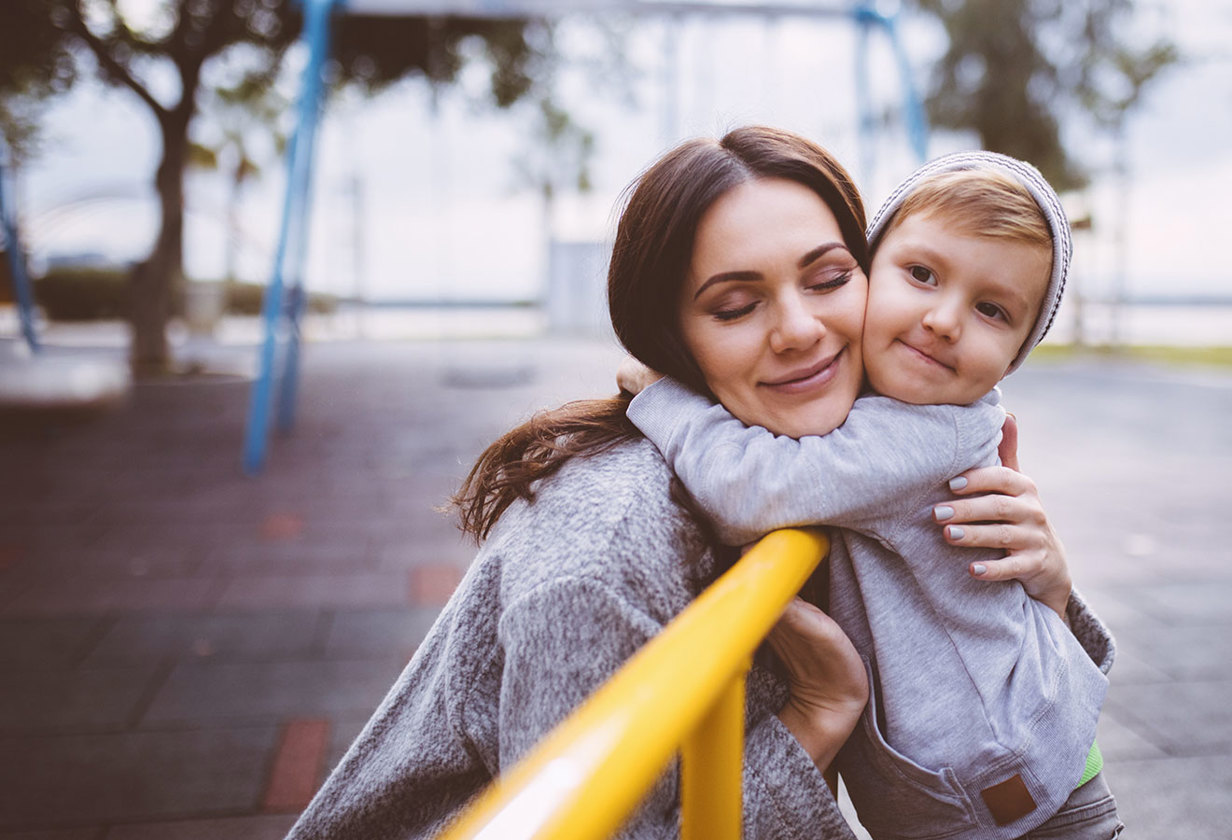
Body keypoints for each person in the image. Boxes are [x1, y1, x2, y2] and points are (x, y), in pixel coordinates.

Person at [284, 127, 1107, 840]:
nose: (800, 330)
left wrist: (1047, 585)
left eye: (828, 278)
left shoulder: (857, 439)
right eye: (735, 305)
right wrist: (815, 716)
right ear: (665, 333)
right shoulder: (603, 557)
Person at [621, 151, 1120, 839]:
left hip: (1015, 796)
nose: (944, 320)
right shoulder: (893, 407)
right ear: (870, 268)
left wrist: (664, 398)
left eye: (991, 310)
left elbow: (753, 489)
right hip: (1019, 753)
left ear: (1013, 358)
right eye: (921, 275)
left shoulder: (924, 432)